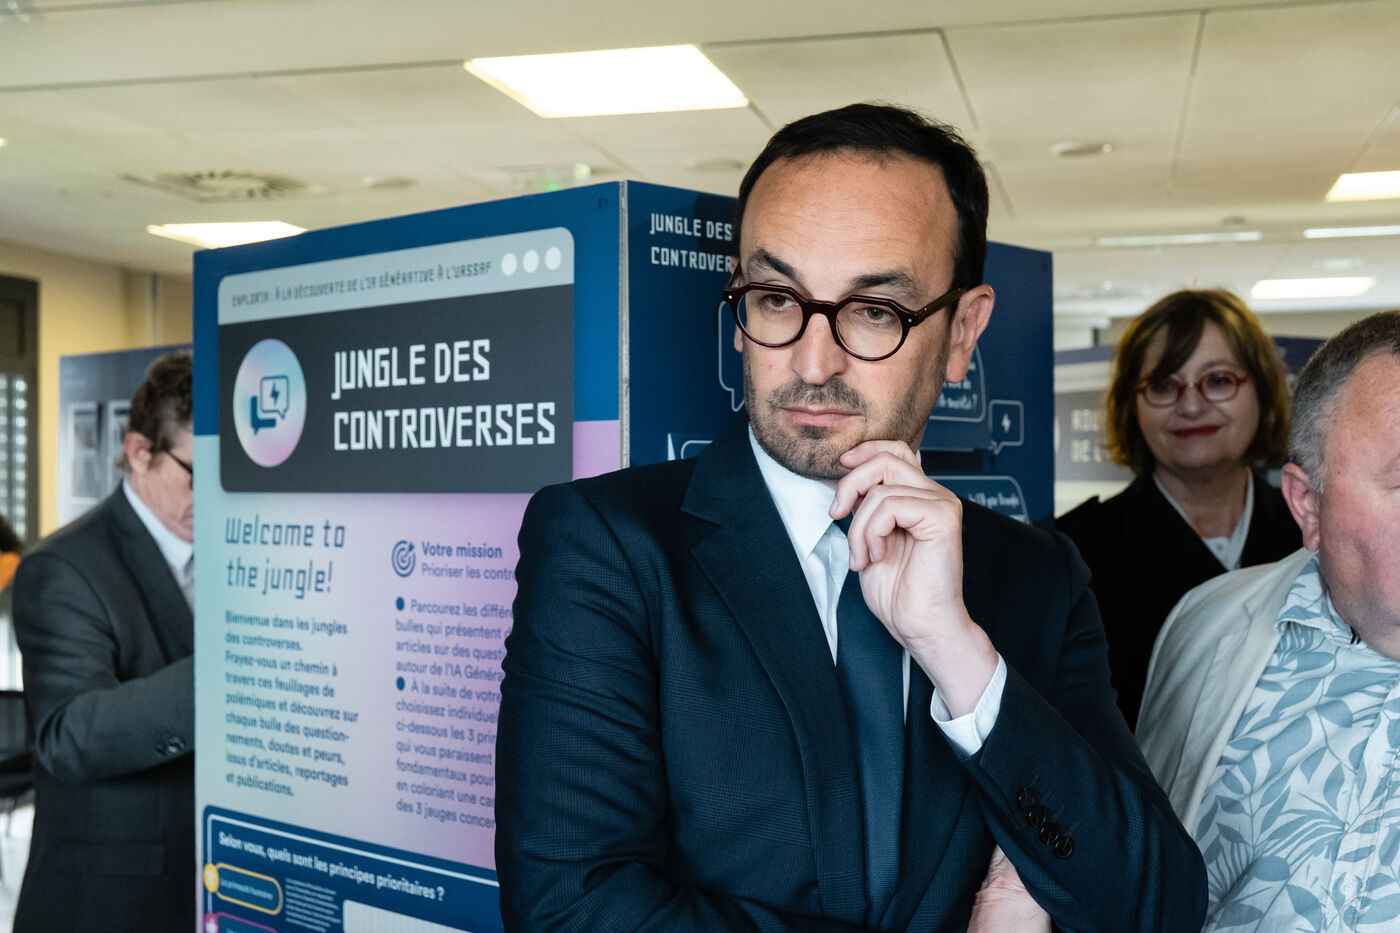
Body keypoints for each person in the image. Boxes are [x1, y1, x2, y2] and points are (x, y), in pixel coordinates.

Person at [496, 103, 1205, 932]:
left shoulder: (1033, 575)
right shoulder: (609, 546)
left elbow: (1157, 906)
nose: (812, 361)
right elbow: (569, 910)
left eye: (874, 311)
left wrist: (958, 651)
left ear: (963, 331)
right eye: (776, 298)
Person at [1138, 309, 1400, 931]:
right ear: (1308, 505)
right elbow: (1141, 872)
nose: (1192, 403)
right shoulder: (1206, 623)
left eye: (1218, 379)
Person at [1056, 289, 1300, 728]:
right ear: (1131, 405)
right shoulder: (1072, 555)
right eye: (1163, 386)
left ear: (1263, 391)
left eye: (1218, 380)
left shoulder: (1314, 536)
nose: (1190, 405)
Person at [12, 350, 195, 932]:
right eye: (197, 473)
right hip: (110, 898)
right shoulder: (64, 568)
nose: (219, 494)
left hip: (222, 883)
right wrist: (233, 671)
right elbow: (69, 734)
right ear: (140, 451)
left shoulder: (241, 551)